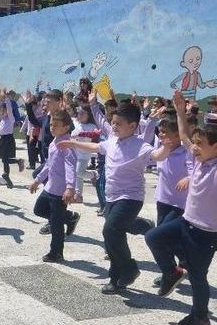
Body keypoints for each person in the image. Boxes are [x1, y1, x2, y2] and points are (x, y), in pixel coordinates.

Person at [59, 92, 173, 294]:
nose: (114, 126)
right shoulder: (112, 140)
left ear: (133, 126)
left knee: (110, 231)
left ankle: (128, 269)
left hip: (130, 198)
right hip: (112, 196)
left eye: (119, 124)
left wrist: (166, 147)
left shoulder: (141, 145)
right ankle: (117, 275)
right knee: (112, 236)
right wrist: (74, 143)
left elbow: (157, 155)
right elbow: (96, 146)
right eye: (113, 123)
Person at [144, 91, 217, 325]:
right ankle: (172, 272)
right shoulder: (199, 161)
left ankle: (200, 318)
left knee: (198, 277)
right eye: (196, 144)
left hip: (205, 234)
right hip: (185, 223)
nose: (195, 148)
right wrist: (180, 110)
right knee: (153, 237)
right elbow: (183, 136)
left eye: (201, 145)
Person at [29, 110, 81, 263]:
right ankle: (70, 218)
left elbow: (71, 167)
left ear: (66, 127)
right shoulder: (54, 142)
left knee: (56, 225)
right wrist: (37, 180)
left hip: (60, 191)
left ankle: (56, 252)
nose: (52, 127)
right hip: (50, 187)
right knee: (39, 209)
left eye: (56, 125)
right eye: (51, 124)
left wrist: (70, 187)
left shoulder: (66, 144)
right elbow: (48, 165)